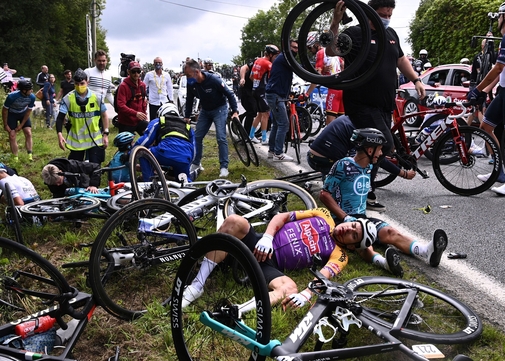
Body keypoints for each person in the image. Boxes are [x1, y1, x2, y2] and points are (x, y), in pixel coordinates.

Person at [327, 0, 426, 212]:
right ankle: (358, 188)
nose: (387, 18)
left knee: (372, 147)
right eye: (383, 14)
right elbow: (331, 50)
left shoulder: (390, 36)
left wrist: (416, 80)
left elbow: (400, 60)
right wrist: (335, 21)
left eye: (390, 15)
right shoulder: (354, 33)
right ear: (371, 12)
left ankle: (358, 189)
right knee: (384, 144)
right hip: (361, 103)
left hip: (383, 105)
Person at [180, 207, 377, 310]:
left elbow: (323, 276)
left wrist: (306, 294)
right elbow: (282, 217)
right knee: (234, 221)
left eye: (353, 235)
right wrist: (267, 236)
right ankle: (197, 286)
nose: (348, 229)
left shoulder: (340, 255)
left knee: (290, 288)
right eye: (353, 226)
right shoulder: (323, 215)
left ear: (352, 246)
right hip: (259, 243)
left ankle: (238, 311)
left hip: (270, 265)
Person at [319, 128, 447, 277]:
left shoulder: (369, 167)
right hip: (342, 220)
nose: (380, 154)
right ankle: (383, 262)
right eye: (379, 150)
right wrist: (345, 217)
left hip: (361, 217)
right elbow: (324, 194)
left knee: (390, 232)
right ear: (369, 149)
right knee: (363, 242)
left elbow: (385, 163)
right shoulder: (343, 165)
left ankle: (427, 251)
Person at [468, 1, 505, 196]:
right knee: (485, 127)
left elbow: (499, 68)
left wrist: (478, 89)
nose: (497, 18)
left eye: (500, 15)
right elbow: (503, 72)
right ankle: (499, 173)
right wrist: (486, 90)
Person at [307, 115, 416, 181]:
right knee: (361, 165)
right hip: (325, 161)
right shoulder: (362, 130)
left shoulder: (351, 118)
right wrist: (403, 173)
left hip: (313, 157)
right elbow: (373, 156)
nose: (381, 151)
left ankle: (328, 179)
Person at [183, 58, 238, 178]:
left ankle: (224, 167)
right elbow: (189, 99)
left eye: (189, 75)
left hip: (219, 108)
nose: (187, 78)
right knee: (197, 137)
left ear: (197, 72)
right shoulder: (191, 83)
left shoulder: (213, 80)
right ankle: (196, 163)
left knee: (221, 137)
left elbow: (230, 94)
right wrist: (187, 116)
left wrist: (235, 111)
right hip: (206, 110)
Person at [55, 68, 110, 164]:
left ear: (87, 82)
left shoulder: (97, 97)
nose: (79, 86)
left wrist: (105, 134)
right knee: (75, 170)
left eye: (82, 83)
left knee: (95, 169)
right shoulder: (68, 98)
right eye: (76, 84)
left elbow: (105, 115)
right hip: (77, 142)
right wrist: (59, 134)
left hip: (95, 140)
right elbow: (60, 118)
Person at [135, 103, 196, 181]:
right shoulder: (188, 127)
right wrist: (187, 161)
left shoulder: (159, 121)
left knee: (143, 153)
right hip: (185, 156)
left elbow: (146, 140)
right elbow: (194, 151)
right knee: (183, 180)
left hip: (164, 152)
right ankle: (187, 186)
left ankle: (149, 184)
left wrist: (132, 152)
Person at [265, 38, 299, 162]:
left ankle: (271, 151)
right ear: (287, 48)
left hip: (276, 95)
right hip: (275, 95)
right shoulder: (285, 58)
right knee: (284, 124)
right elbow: (299, 69)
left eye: (297, 48)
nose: (296, 50)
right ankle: (279, 153)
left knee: (276, 124)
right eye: (294, 47)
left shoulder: (284, 58)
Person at [307, 31, 344, 124]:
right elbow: (343, 65)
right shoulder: (334, 52)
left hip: (333, 89)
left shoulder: (321, 53)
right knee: (342, 122)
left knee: (330, 123)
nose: (309, 50)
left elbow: (316, 77)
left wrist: (307, 93)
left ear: (316, 44)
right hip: (343, 89)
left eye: (309, 47)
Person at [248, 45, 280, 145]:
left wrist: (257, 83)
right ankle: (264, 138)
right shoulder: (268, 64)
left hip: (255, 90)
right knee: (266, 114)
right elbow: (272, 79)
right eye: (275, 56)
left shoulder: (257, 61)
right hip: (262, 91)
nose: (275, 58)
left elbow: (251, 76)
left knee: (260, 114)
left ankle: (251, 135)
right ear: (270, 55)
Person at [2, 78, 35, 162]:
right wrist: (5, 124)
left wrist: (21, 125)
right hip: (12, 114)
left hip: (23, 113)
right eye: (29, 89)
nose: (31, 91)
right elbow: (4, 110)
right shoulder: (12, 96)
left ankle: (30, 155)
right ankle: (15, 158)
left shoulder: (32, 97)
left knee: (28, 132)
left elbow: (28, 111)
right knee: (12, 135)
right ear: (24, 90)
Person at [116, 61, 148, 135]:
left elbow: (143, 101)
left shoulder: (142, 85)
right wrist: (135, 113)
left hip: (139, 121)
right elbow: (120, 105)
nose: (136, 74)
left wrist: (144, 113)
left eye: (138, 71)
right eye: (133, 71)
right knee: (125, 145)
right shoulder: (123, 86)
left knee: (151, 139)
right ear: (128, 72)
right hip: (126, 122)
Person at [143, 57, 174, 121]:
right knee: (154, 120)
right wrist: (145, 97)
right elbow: (144, 86)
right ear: (153, 64)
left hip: (164, 101)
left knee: (164, 121)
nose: (158, 64)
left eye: (159, 63)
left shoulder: (166, 75)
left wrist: (171, 100)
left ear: (162, 64)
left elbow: (169, 88)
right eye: (156, 63)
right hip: (153, 102)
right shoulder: (149, 75)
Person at [239, 58, 258, 135]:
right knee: (252, 111)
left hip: (256, 90)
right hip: (246, 88)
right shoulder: (258, 62)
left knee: (259, 110)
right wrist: (242, 78)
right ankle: (247, 134)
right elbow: (244, 67)